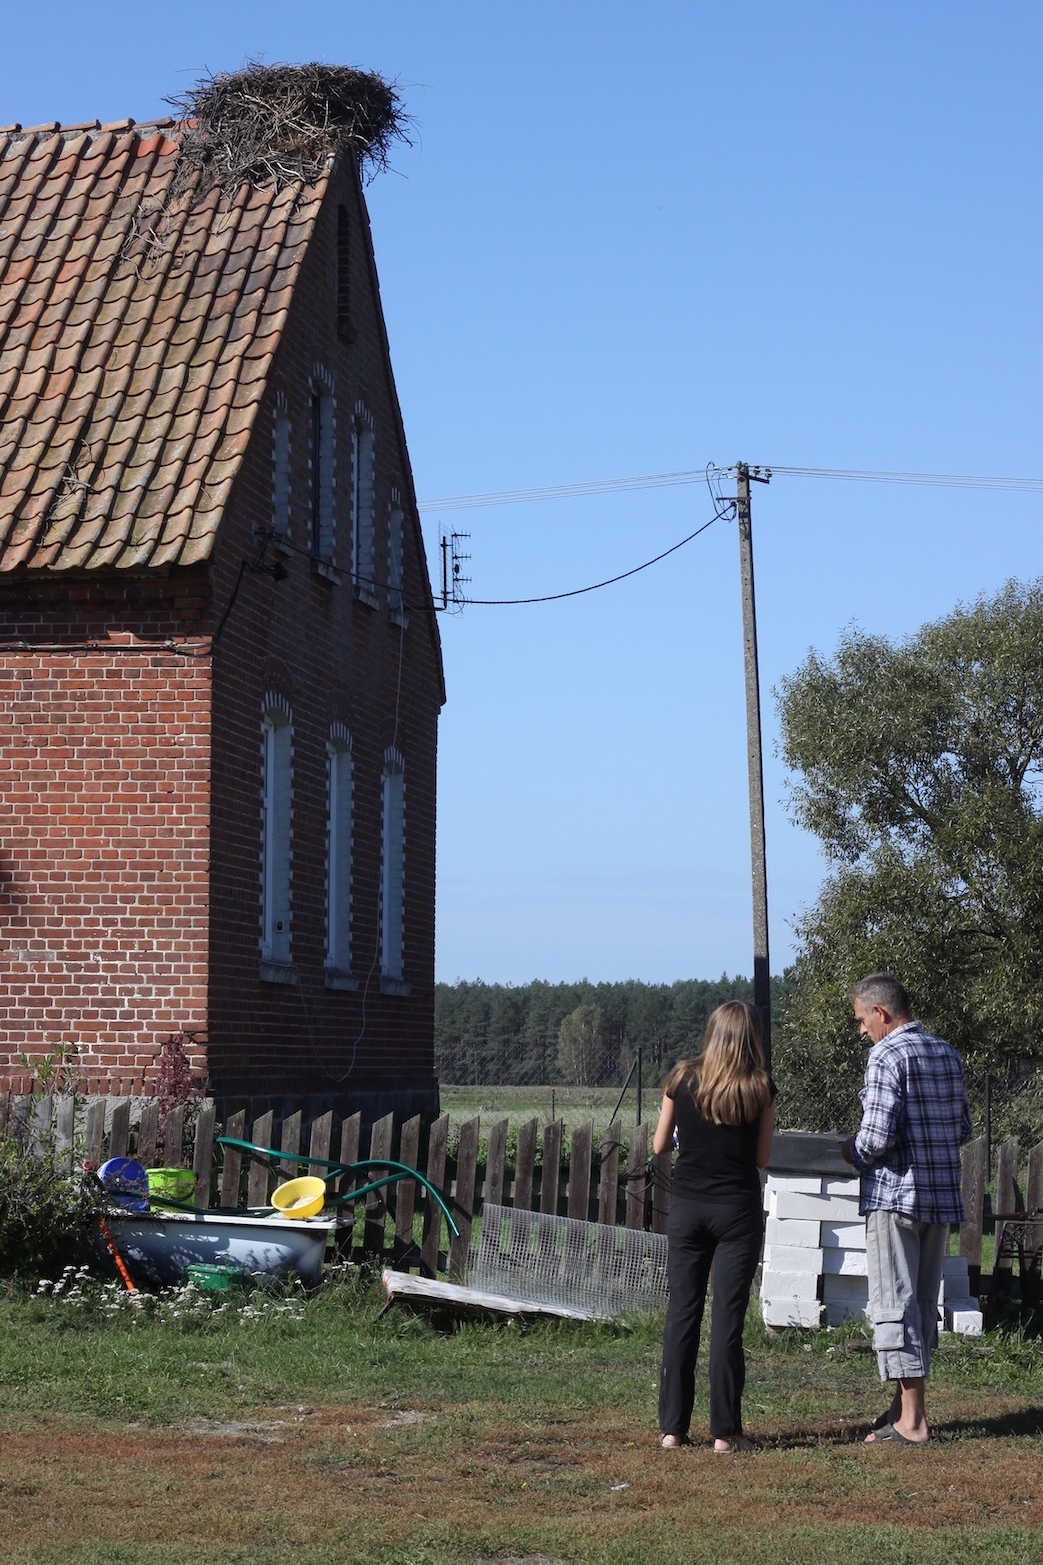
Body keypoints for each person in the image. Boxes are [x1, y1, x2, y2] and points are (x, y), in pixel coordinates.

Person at [841, 973, 972, 1446]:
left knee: (894, 1304)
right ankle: (902, 1409)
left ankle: (913, 1423)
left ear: (881, 1012)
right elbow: (963, 1128)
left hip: (895, 1196)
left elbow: (875, 1137)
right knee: (921, 1303)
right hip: (939, 1196)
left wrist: (850, 1152)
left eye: (862, 1019)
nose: (862, 1030)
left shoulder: (886, 1055)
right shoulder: (947, 1052)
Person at [653, 999, 775, 1452]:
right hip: (737, 1211)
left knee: (682, 1313)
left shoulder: (681, 1078)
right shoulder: (759, 1086)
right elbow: (761, 1158)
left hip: (688, 1207)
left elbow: (660, 1144)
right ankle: (726, 1432)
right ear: (751, 1037)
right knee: (727, 1319)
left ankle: (672, 1429)